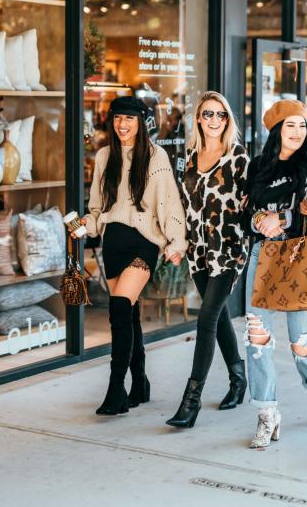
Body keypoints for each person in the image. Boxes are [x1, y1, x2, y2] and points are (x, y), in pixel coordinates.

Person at [83, 96, 187, 416]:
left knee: (118, 308)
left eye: (129, 119)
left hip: (144, 242)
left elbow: (169, 204)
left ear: (141, 123)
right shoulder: (104, 156)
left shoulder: (156, 157)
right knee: (128, 315)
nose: (122, 125)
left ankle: (116, 389)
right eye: (117, 118)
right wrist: (85, 226)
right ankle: (140, 382)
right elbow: (98, 206)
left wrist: (176, 241)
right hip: (113, 239)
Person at [243, 99, 307, 449]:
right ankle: (267, 414)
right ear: (276, 129)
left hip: (303, 258)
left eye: (302, 125)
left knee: (302, 343)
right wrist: (257, 221)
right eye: (290, 125)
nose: (297, 132)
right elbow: (245, 216)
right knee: (257, 339)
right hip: (262, 255)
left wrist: (284, 218)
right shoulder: (258, 167)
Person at [167, 92, 250, 428]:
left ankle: (191, 401)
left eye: (221, 115)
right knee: (220, 317)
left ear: (227, 120)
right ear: (198, 119)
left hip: (228, 250)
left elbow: (252, 202)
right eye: (208, 114)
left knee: (206, 319)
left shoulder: (238, 158)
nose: (214, 120)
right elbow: (185, 207)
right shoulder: (190, 157)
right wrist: (178, 243)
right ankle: (238, 377)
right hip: (198, 251)